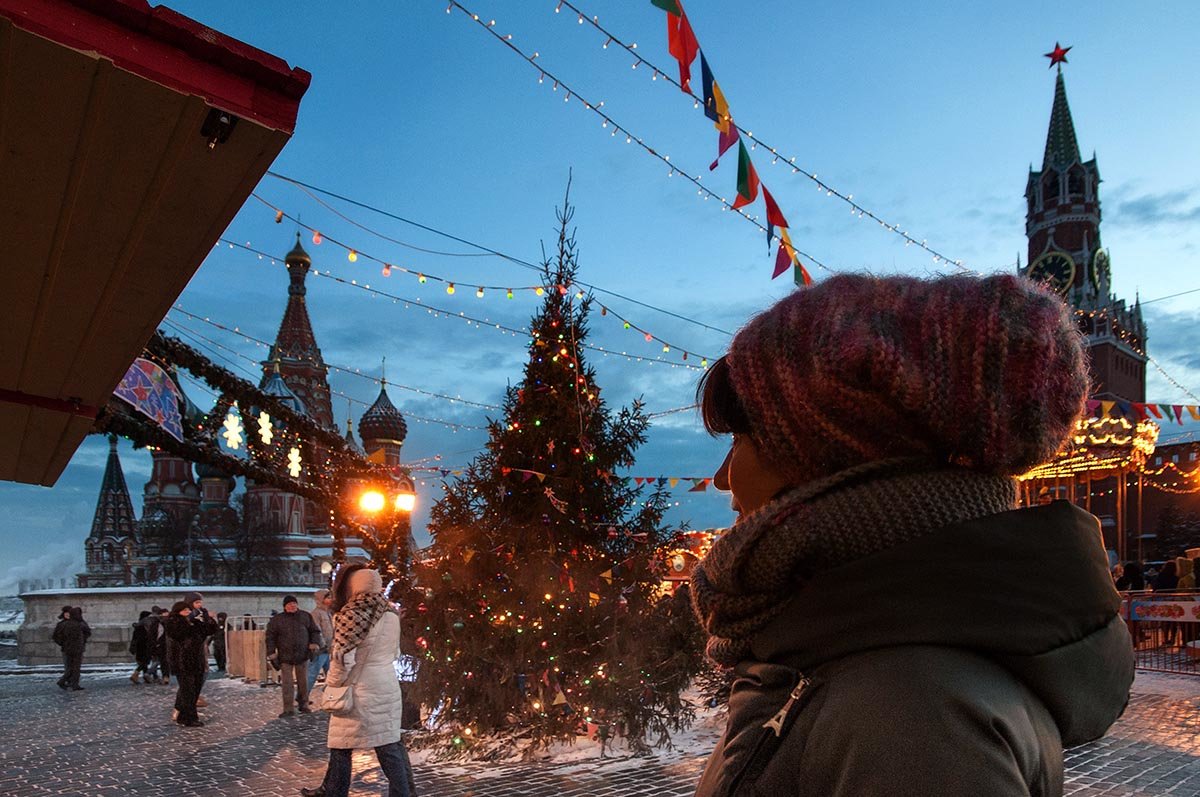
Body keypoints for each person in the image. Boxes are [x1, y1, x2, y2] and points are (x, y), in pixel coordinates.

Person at [689, 274, 1133, 797]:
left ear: (832, 456)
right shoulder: (839, 655)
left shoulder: (913, 719)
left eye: (743, 437)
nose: (721, 478)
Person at [300, 565, 416, 797]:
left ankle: (336, 792)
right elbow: (395, 652)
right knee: (387, 741)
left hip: (359, 689)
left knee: (346, 744)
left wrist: (332, 685)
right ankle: (333, 789)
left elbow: (343, 659)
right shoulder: (390, 614)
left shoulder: (351, 614)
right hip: (386, 684)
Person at [164, 600, 217, 727]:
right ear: (178, 611)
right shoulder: (173, 622)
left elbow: (209, 630)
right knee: (188, 691)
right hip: (182, 662)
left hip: (196, 661)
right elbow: (179, 634)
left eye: (189, 610)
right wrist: (190, 621)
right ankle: (190, 718)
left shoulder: (194, 622)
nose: (187, 612)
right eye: (184, 610)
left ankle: (183, 716)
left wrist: (207, 617)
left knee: (195, 690)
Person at [266, 595, 321, 717]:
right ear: (285, 606)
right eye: (290, 604)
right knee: (287, 684)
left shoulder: (305, 616)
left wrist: (314, 644)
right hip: (285, 656)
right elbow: (270, 637)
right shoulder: (277, 620)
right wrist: (271, 653)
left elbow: (314, 631)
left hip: (302, 655)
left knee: (303, 682)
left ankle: (304, 704)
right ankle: (288, 708)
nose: (292, 605)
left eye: (294, 603)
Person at [52, 606, 90, 691]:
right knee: (74, 667)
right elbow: (87, 632)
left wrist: (64, 643)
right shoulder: (78, 624)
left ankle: (71, 682)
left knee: (71, 667)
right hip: (74, 648)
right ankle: (69, 683)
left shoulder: (65, 624)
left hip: (68, 648)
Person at [308, 589, 335, 697]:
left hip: (330, 648)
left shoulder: (328, 612)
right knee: (312, 674)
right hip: (321, 649)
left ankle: (330, 696)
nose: (330, 600)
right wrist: (323, 644)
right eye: (328, 598)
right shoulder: (316, 613)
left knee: (331, 675)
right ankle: (302, 698)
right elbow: (317, 630)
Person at [129, 610, 154, 684]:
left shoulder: (138, 626)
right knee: (145, 661)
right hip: (144, 645)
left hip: (138, 646)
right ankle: (135, 674)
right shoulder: (144, 627)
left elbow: (134, 638)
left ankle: (146, 677)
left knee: (144, 662)